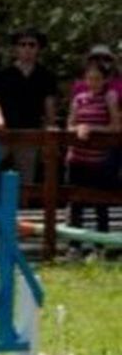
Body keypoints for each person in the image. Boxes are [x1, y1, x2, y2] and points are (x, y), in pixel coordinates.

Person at [0, 28, 57, 181]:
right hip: (2, 133)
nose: (27, 48)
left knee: (26, 179)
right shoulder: (1, 75)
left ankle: (24, 206)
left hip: (30, 134)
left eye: (32, 45)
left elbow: (49, 108)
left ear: (38, 48)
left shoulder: (46, 76)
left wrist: (49, 133)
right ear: (16, 48)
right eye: (22, 44)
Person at [64, 60, 120, 240]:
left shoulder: (109, 98)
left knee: (100, 204)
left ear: (104, 80)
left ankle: (101, 244)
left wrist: (92, 129)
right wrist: (79, 128)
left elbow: (115, 127)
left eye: (97, 79)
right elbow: (70, 125)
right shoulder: (79, 99)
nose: (93, 82)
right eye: (89, 78)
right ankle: (75, 245)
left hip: (99, 160)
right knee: (76, 203)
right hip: (77, 158)